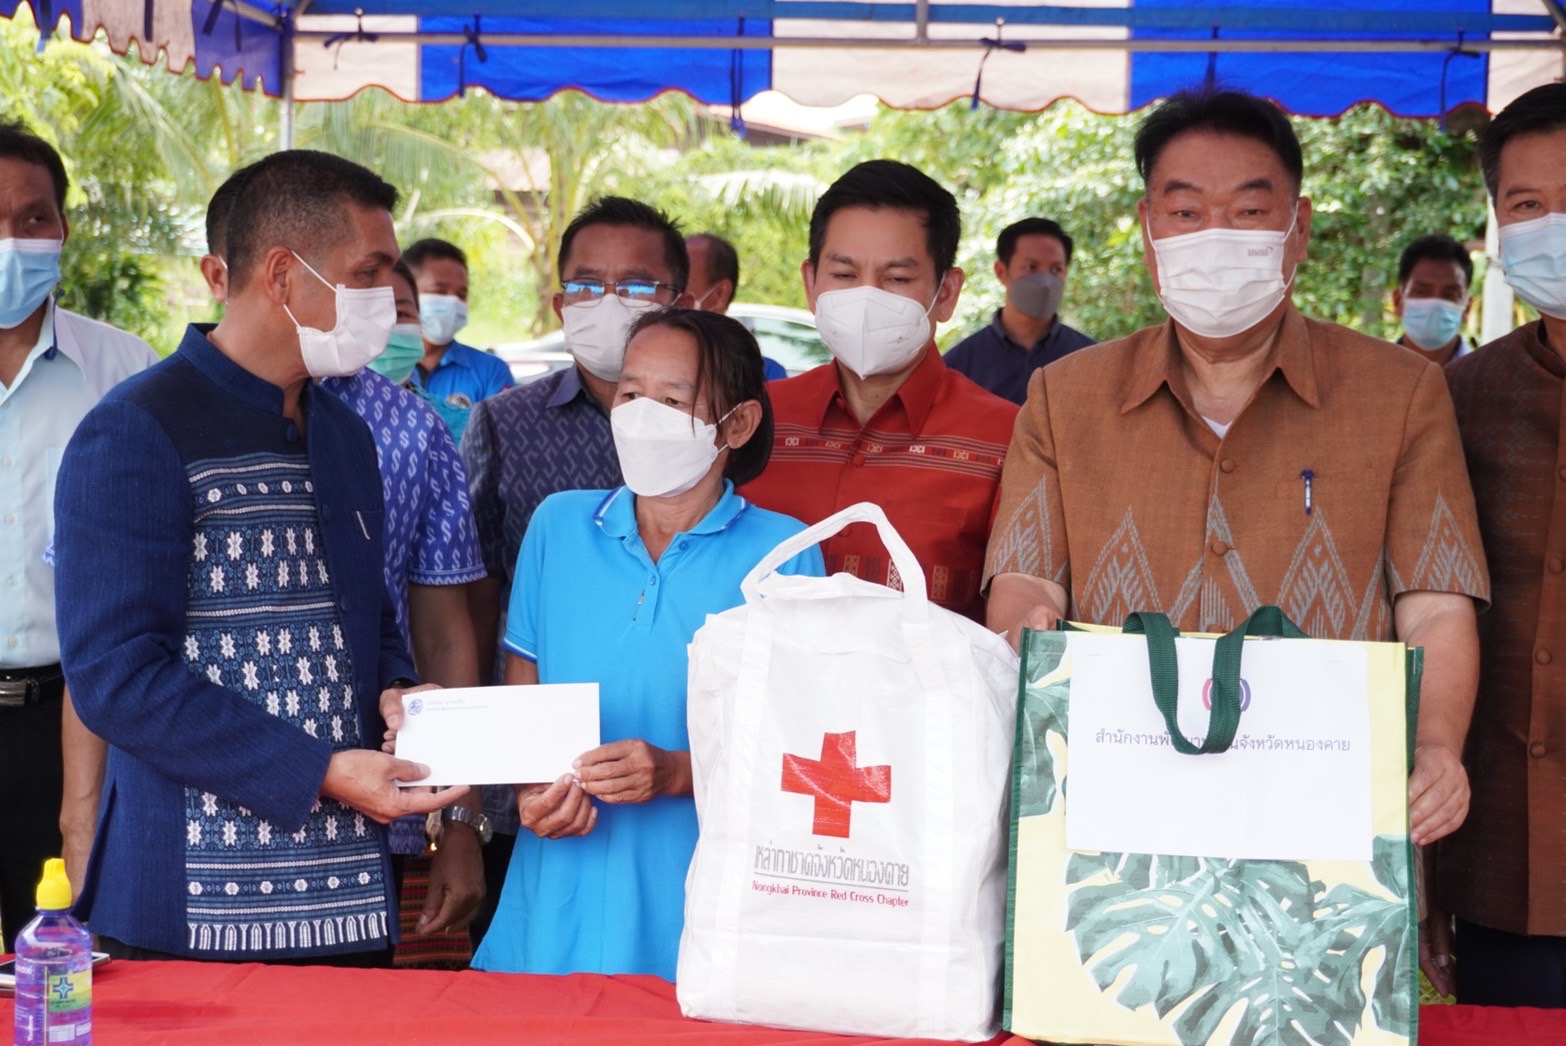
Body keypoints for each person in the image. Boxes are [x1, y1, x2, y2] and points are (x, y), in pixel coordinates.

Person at [984, 86, 1487, 852]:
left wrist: (1436, 745)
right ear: (1150, 234)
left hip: (1325, 828)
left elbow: (1436, 607)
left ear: (1299, 228)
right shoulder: (1063, 397)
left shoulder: (1402, 394)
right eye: (1185, 214)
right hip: (1115, 824)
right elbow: (1027, 583)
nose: (1215, 237)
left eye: (1249, 213)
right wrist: (1030, 639)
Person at [52, 149, 465, 963]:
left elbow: (370, 618)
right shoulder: (137, 428)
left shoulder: (345, 431)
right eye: (368, 271)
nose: (388, 300)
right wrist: (320, 771)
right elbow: (116, 678)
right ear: (283, 274)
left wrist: (396, 693)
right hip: (195, 905)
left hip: (347, 893)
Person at [462, 308, 823, 979]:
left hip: (695, 900)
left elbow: (794, 755)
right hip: (558, 892)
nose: (641, 414)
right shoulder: (557, 525)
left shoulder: (786, 555)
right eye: (629, 394)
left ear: (736, 425)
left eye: (673, 399)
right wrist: (536, 792)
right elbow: (525, 696)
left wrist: (677, 772)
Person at [459, 196, 688, 947]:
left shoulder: (714, 429)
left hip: (676, 778)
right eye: (587, 286)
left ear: (679, 301)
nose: (609, 304)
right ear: (560, 303)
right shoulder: (504, 423)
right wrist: (486, 791)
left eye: (637, 285)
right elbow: (476, 606)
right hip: (539, 786)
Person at [0, 121, 157, 951]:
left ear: (63, 229)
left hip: (81, 719)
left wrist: (81, 804)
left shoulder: (123, 372)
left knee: (67, 967)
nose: (11, 241)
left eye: (32, 219)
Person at [740, 160, 1019, 624]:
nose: (867, 298)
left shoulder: (1008, 438)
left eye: (897, 279)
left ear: (946, 293)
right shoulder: (755, 425)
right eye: (845, 275)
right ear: (811, 284)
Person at [1435, 81, 1566, 1008]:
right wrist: (1433, 877)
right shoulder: (1460, 400)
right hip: (1506, 874)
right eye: (1528, 205)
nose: (1554, 225)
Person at [943, 217, 1096, 404]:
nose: (1046, 282)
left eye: (1056, 269)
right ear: (1001, 271)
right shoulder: (960, 365)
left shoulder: (1091, 359)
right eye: (1031, 267)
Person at [403, 238, 512, 445]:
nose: (453, 303)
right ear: (404, 290)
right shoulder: (384, 366)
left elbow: (499, 448)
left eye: (461, 295)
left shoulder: (490, 372)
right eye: (439, 292)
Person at [686, 232, 787, 380]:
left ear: (720, 294)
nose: (669, 295)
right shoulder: (645, 359)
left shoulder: (764, 375)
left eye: (680, 284)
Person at [1393, 234, 1475, 365]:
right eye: (1421, 292)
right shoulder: (1368, 375)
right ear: (1398, 301)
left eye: (1450, 294)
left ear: (1467, 307)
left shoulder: (1489, 379)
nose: (1435, 302)